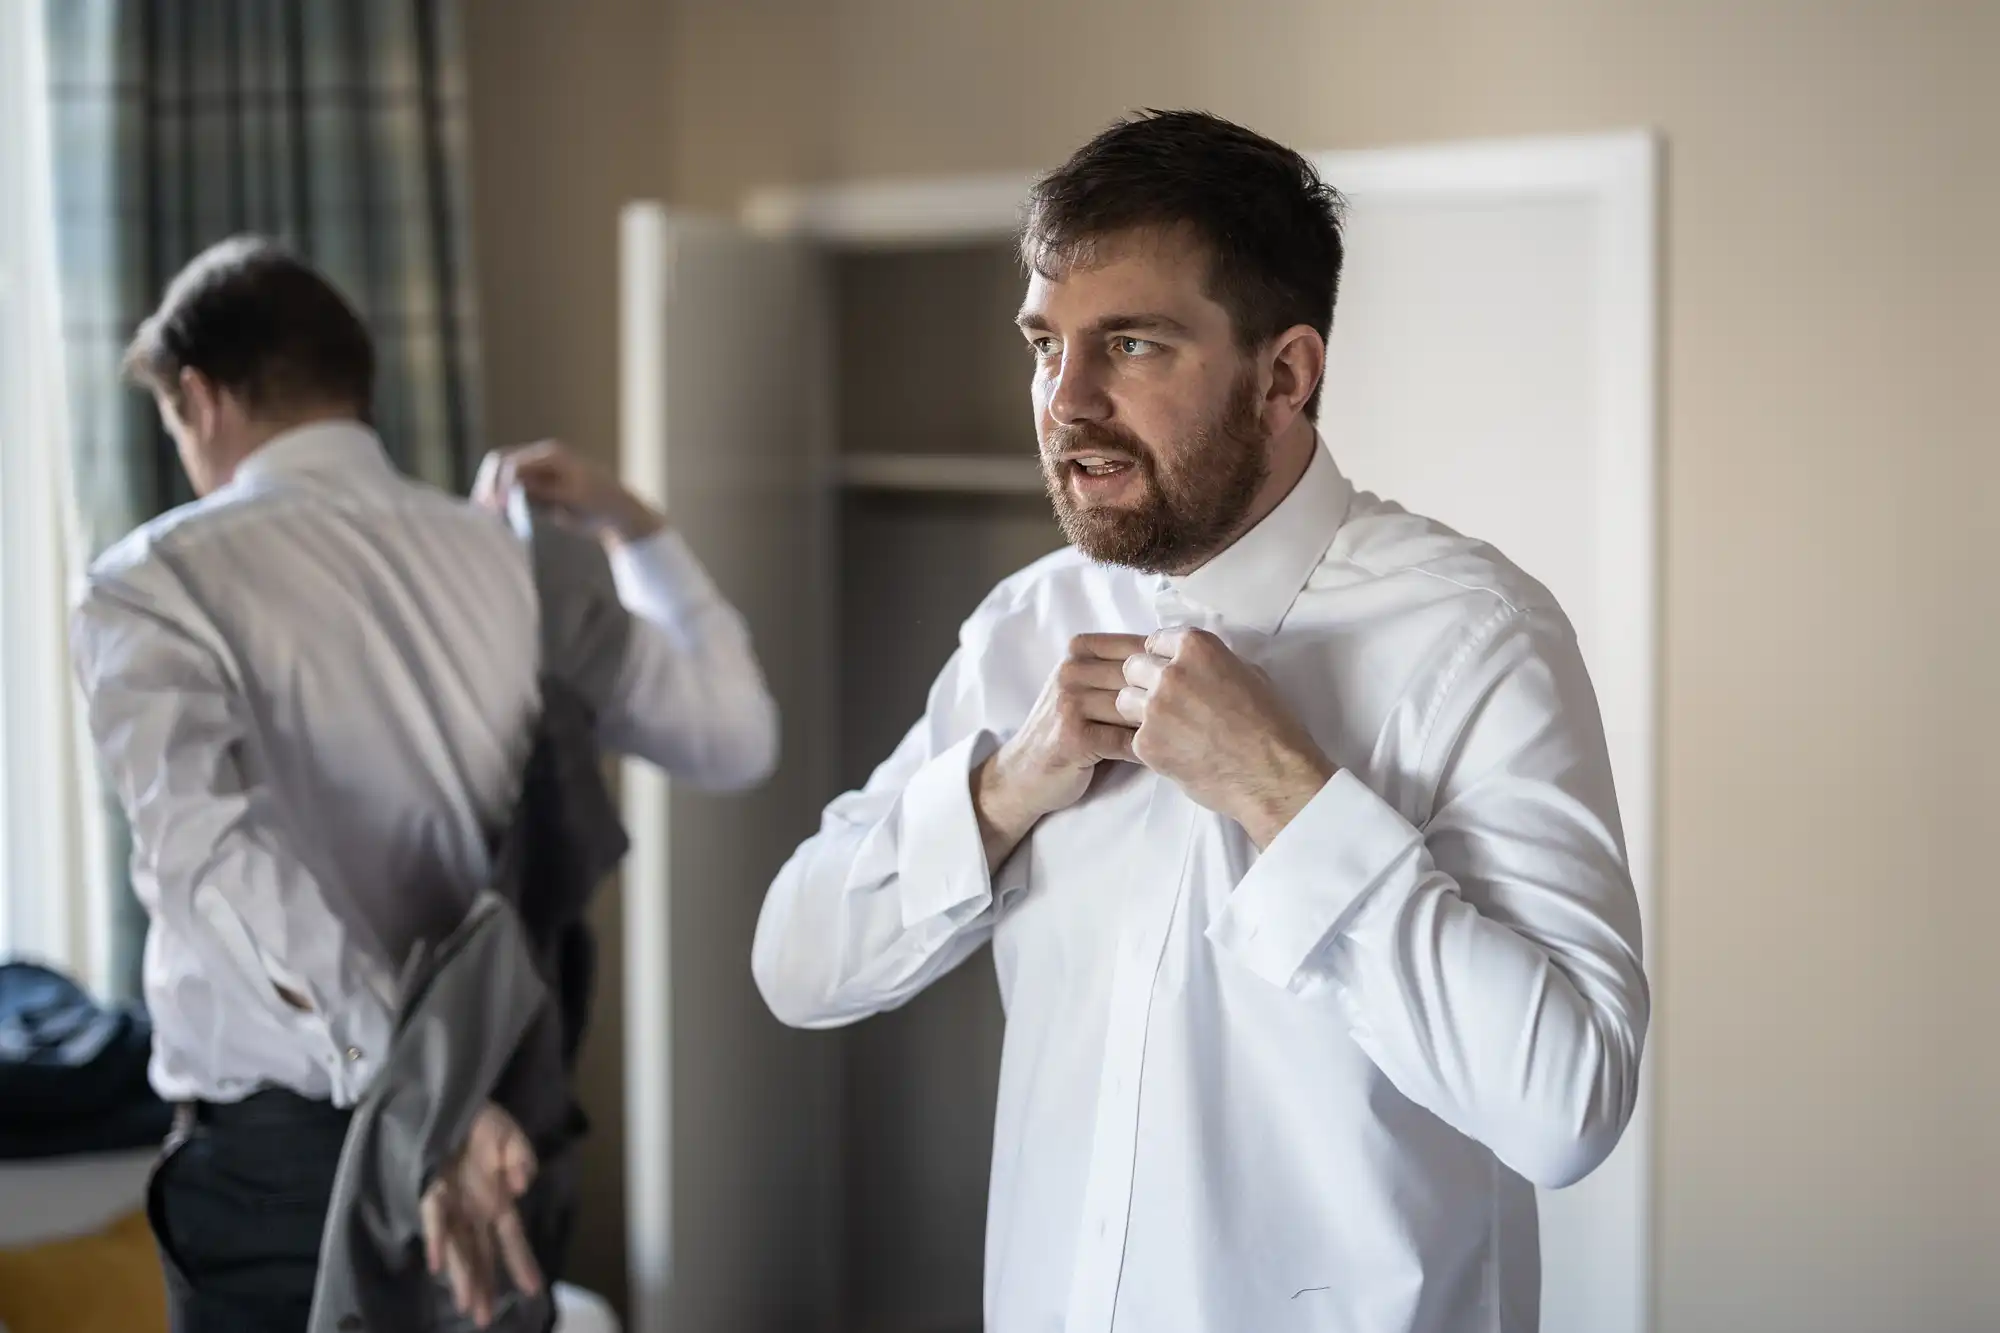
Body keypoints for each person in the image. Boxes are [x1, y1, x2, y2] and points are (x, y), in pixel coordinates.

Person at [751, 110, 1649, 1333]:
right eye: (1043, 345)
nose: (1066, 404)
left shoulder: (1476, 636)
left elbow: (1567, 1106)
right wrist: (1006, 788)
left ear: (1283, 373)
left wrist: (1286, 792)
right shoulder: (1024, 628)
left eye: (1129, 344)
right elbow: (796, 965)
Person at [71, 235, 779, 1331]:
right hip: (511, 1123)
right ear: (354, 386)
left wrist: (420, 1098)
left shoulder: (153, 584)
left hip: (297, 1157)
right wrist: (632, 523)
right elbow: (735, 736)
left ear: (200, 399)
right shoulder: (518, 561)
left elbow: (212, 865)